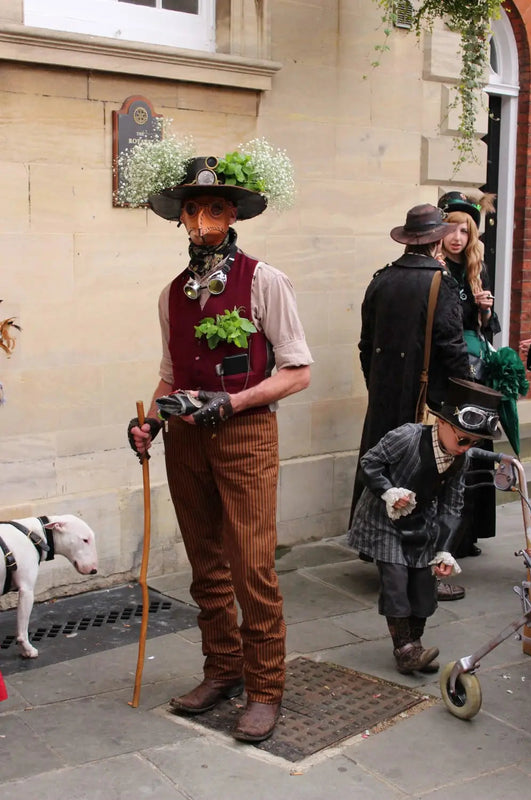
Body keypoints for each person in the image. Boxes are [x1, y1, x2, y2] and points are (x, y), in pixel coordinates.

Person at [127, 148, 312, 743]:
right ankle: (222, 670)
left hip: (244, 436)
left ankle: (265, 688)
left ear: (232, 214)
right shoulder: (170, 293)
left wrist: (233, 403)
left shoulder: (264, 280)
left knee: (251, 565)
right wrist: (150, 422)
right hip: (185, 439)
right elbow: (170, 374)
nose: (201, 221)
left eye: (213, 209)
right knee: (205, 564)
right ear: (180, 218)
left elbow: (298, 371)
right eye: (192, 211)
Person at [349, 204, 471, 601]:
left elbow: (365, 345)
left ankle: (384, 561)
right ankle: (422, 575)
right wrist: (464, 399)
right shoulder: (441, 282)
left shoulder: (381, 279)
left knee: (384, 475)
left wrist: (378, 386)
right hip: (425, 403)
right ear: (435, 241)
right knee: (424, 484)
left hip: (385, 397)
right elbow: (453, 349)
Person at [348, 378, 502, 675]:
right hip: (383, 520)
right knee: (395, 580)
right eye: (463, 439)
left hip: (422, 524)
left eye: (475, 443)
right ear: (441, 422)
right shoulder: (406, 436)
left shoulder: (461, 460)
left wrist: (444, 550)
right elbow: (369, 462)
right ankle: (404, 650)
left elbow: (452, 506)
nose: (466, 448)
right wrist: (387, 491)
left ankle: (415, 644)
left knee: (424, 584)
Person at [439, 191, 501, 559]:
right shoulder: (435, 268)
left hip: (475, 371)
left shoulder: (478, 268)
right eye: (451, 228)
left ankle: (469, 533)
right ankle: (447, 537)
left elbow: (488, 328)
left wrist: (485, 312)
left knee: (476, 443)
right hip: (449, 370)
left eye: (465, 230)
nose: (458, 237)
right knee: (451, 446)